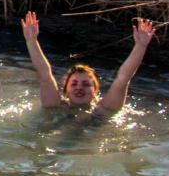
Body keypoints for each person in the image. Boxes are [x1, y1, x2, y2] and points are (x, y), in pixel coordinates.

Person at [21, 11, 155, 116]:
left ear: (95, 90)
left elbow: (123, 79)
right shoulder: (56, 106)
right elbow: (45, 75)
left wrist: (141, 46)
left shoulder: (105, 108)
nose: (79, 88)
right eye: (74, 84)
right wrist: (31, 41)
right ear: (65, 90)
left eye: (86, 84)